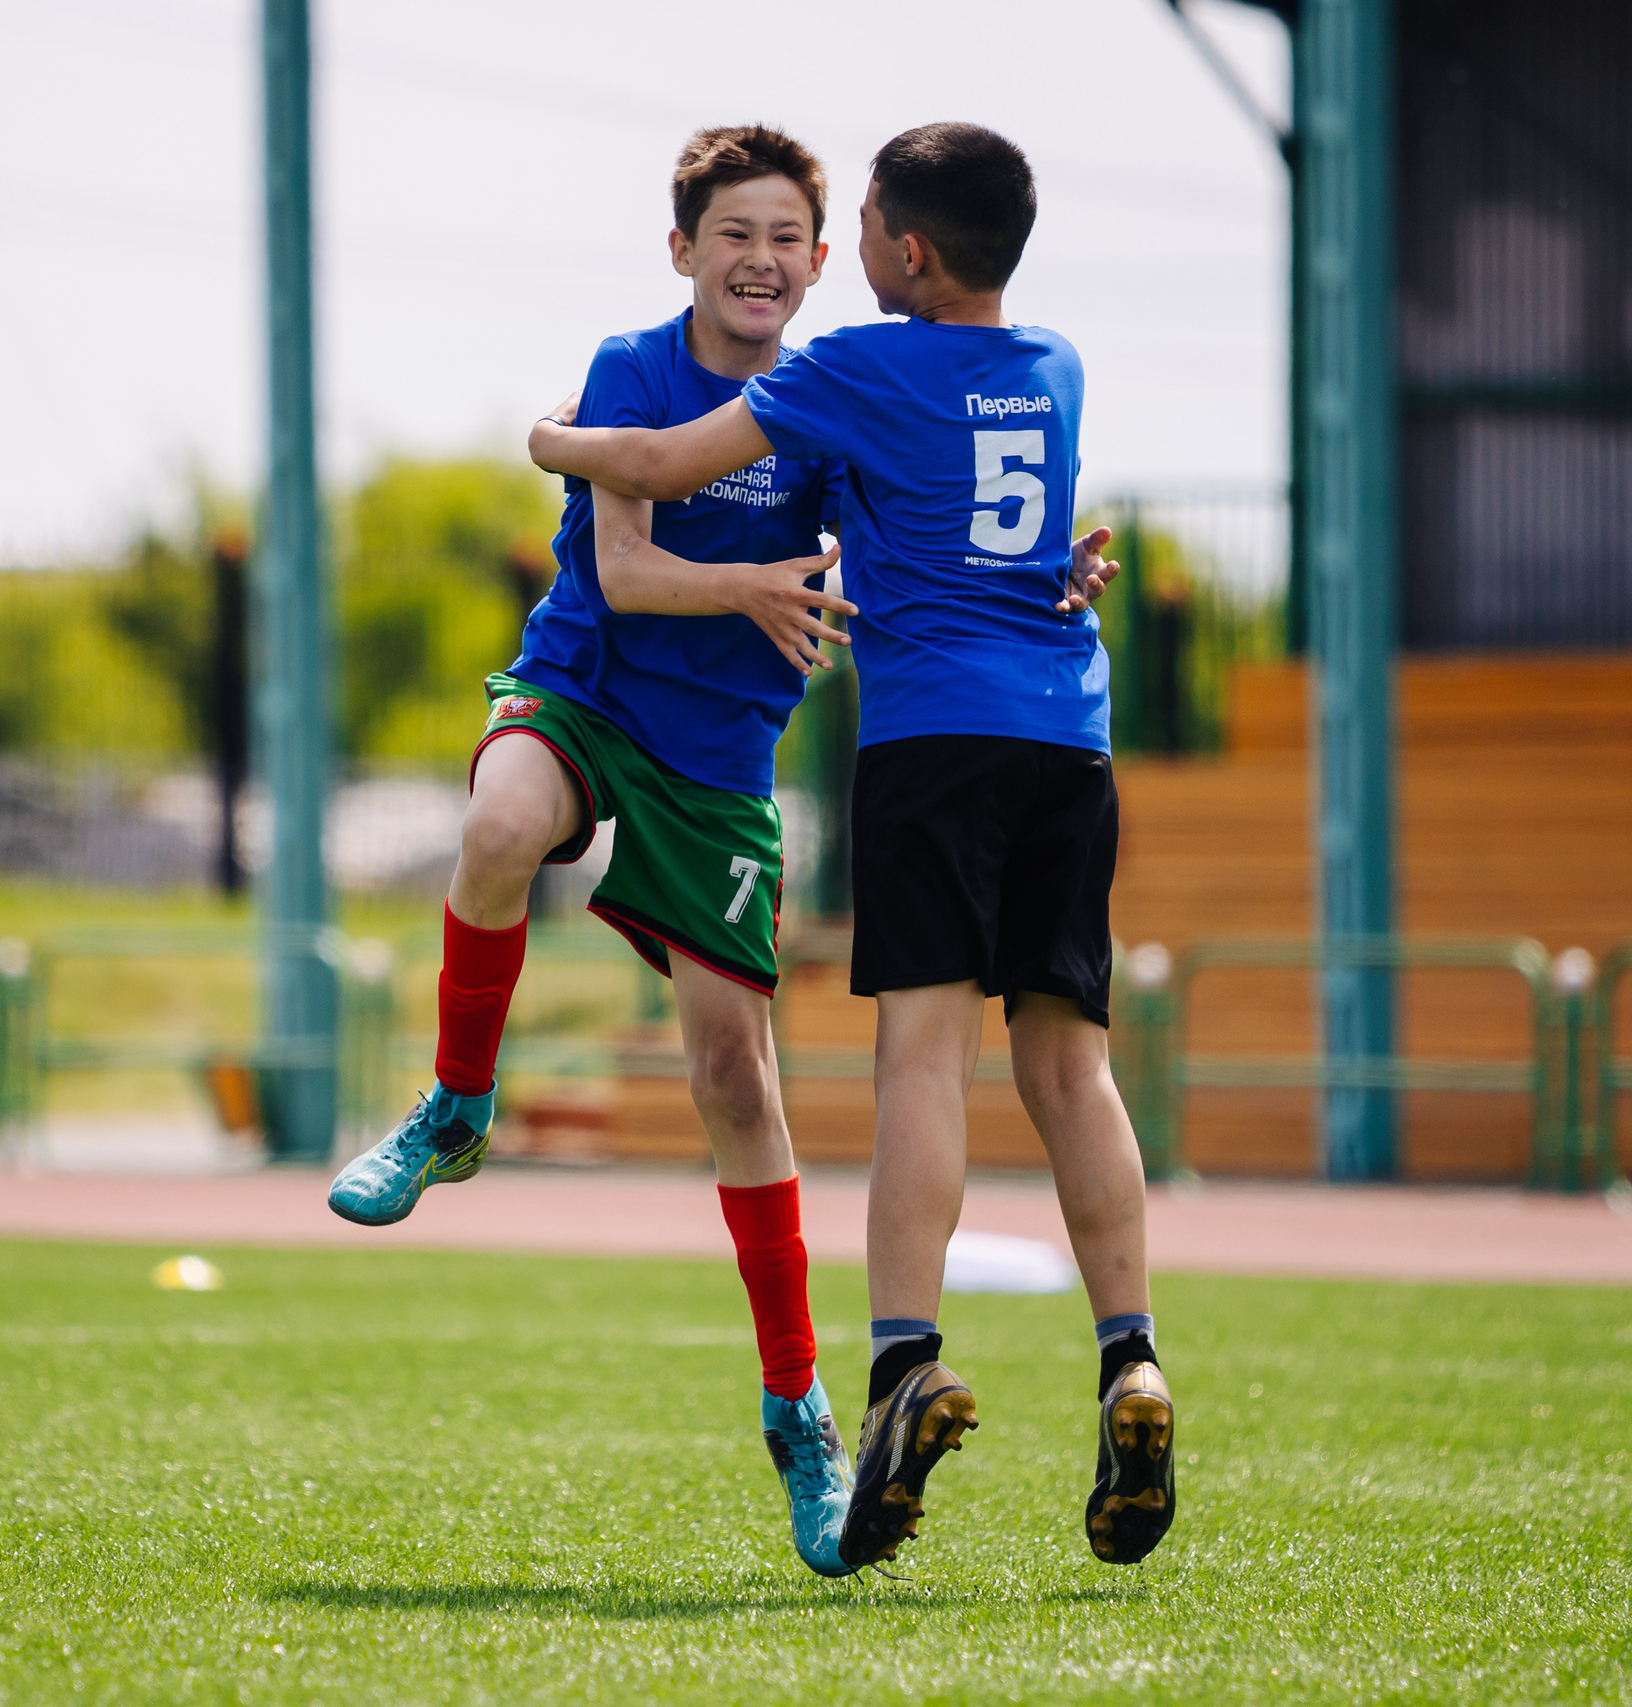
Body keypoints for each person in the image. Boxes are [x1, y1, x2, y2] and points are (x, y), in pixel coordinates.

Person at [530, 123, 1173, 1573]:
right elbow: (1022, 527)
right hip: (1071, 741)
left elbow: (664, 455)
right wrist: (1063, 565)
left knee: (923, 1058)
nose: (841, 253)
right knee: (1072, 1062)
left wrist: (551, 439)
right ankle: (1131, 1353)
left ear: (909, 253)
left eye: (864, 225)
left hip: (937, 743)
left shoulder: (854, 368)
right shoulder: (1054, 365)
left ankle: (899, 1370)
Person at [323, 126, 861, 1575]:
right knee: (498, 820)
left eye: (785, 236)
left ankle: (798, 1401)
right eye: (733, 231)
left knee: (733, 1076)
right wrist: (750, 577)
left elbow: (916, 542)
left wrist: (1047, 572)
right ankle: (453, 1106)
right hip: (586, 689)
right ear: (681, 248)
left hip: (717, 764)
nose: (761, 257)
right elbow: (621, 570)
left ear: (822, 261)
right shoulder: (633, 367)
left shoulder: (836, 398)